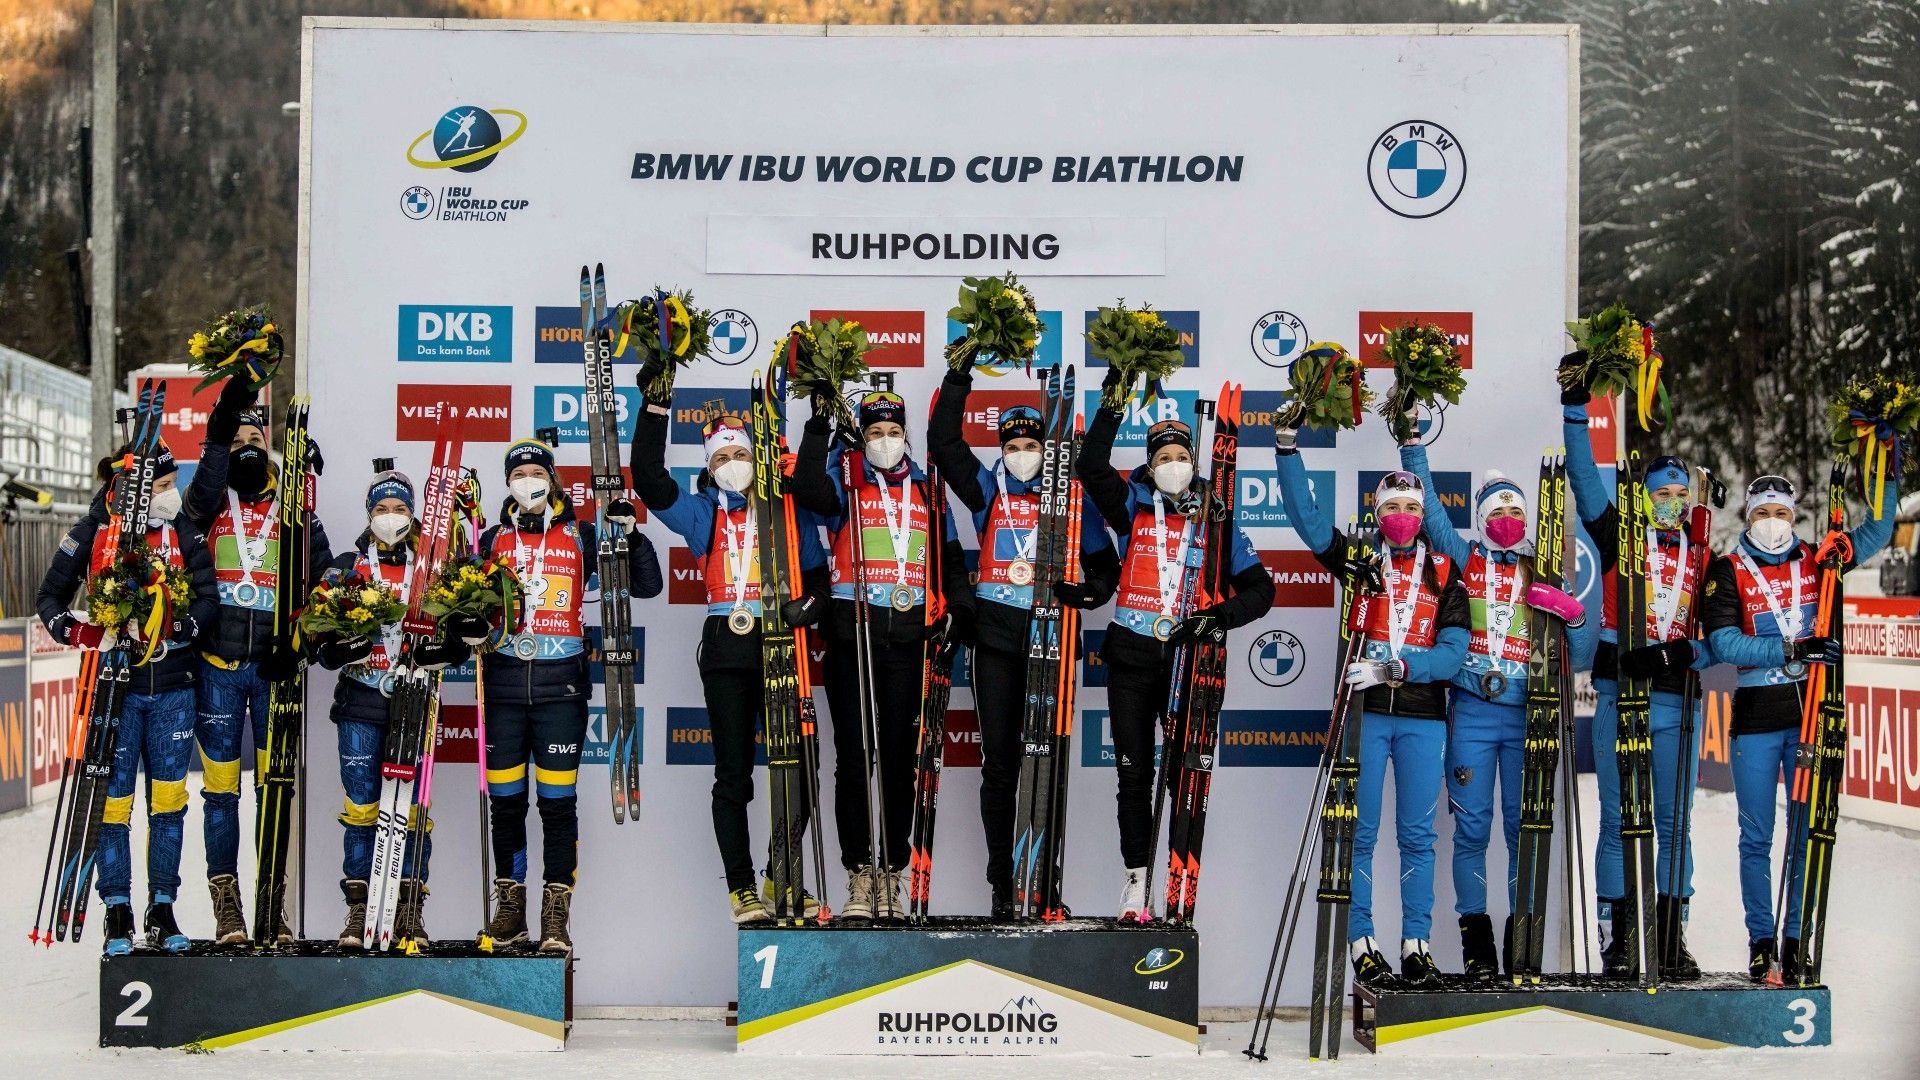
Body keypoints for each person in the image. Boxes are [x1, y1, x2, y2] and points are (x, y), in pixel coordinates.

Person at [1275, 416, 1467, 988]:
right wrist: (1287, 449)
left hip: (1423, 717)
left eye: (1411, 508)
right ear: (1378, 515)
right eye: (1391, 509)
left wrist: (1398, 668)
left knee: (1418, 837)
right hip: (1364, 717)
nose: (1402, 517)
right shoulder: (1359, 559)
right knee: (1357, 835)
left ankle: (1416, 945)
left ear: (1422, 516)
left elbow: (1453, 655)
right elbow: (1309, 522)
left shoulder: (1444, 571)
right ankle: (1362, 942)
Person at [1396, 439, 1596, 979]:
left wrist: (1574, 615)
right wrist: (1412, 447)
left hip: (1528, 716)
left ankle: (1521, 945)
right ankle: (1478, 949)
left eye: (1515, 512)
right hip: (1473, 711)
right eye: (1497, 512)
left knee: (1521, 831)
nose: (1507, 521)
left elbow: (1578, 659)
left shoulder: (1542, 568)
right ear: (1482, 519)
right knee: (1471, 831)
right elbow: (1431, 510)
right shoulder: (1463, 559)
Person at [1078, 379, 1274, 923]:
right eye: (1162, 458)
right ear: (1149, 465)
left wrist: (1217, 619)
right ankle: (1135, 881)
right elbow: (1091, 465)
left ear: (1194, 461)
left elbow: (1262, 590)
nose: (1172, 465)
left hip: (1188, 664)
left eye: (1180, 457)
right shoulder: (1131, 506)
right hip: (1131, 660)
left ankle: (1178, 878)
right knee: (1133, 775)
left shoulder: (1217, 519)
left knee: (1183, 775)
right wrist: (1115, 397)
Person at [927, 365, 1120, 919]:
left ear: (1049, 450)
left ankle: (1043, 880)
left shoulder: (1073, 499)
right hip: (994, 639)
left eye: (1031, 445)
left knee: (1048, 762)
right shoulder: (989, 489)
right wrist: (959, 375)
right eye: (1011, 446)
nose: (1021, 454)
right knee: (1000, 765)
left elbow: (1106, 568)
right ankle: (1002, 883)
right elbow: (944, 444)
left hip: (1052, 638)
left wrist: (1088, 594)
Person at [631, 400, 831, 924]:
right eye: (722, 458)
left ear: (757, 460)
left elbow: (819, 577)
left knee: (800, 772)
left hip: (782, 644)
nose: (733, 464)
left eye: (741, 455)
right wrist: (655, 409)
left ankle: (780, 874)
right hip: (727, 644)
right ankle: (742, 888)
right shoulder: (702, 512)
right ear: (709, 467)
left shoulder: (786, 510)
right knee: (734, 776)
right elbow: (649, 480)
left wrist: (809, 606)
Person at [790, 390, 975, 922]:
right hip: (852, 635)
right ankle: (858, 873)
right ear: (863, 439)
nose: (885, 441)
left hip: (908, 640)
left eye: (893, 432)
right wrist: (819, 426)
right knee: (854, 759)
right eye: (874, 433)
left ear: (906, 436)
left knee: (897, 762)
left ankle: (892, 871)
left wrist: (960, 610)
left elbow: (950, 558)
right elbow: (807, 488)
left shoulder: (928, 487)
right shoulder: (846, 479)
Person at [472, 438, 662, 952]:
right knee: (506, 806)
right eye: (518, 475)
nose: (528, 482)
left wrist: (632, 536)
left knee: (557, 806)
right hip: (504, 690)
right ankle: (510, 907)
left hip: (561, 691)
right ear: (507, 483)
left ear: (553, 479)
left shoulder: (582, 535)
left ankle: (555, 914)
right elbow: (465, 608)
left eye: (537, 472)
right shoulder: (492, 539)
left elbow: (647, 586)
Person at [1705, 472, 1896, 981]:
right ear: (1749, 517)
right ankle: (1760, 941)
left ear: (1794, 517)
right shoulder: (1728, 570)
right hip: (1756, 719)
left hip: (1811, 716)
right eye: (1762, 514)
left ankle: (1795, 939)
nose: (1772, 523)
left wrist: (1886, 467)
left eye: (1781, 514)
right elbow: (1725, 643)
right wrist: (1792, 648)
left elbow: (1879, 529)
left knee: (1805, 833)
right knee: (1756, 837)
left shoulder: (1821, 558)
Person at [1560, 358, 1715, 977]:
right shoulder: (1617, 536)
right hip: (1618, 692)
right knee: (1618, 818)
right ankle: (1619, 936)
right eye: (1661, 494)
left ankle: (1671, 936)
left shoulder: (1703, 554)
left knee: (1675, 822)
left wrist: (1679, 653)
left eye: (1681, 495)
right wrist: (1576, 411)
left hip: (1677, 700)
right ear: (1643, 498)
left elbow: (1720, 638)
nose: (1672, 504)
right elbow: (1582, 478)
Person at [38, 442, 219, 954]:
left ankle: (162, 908)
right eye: (162, 487)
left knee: (169, 804)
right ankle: (116, 910)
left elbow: (209, 599)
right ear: (133, 491)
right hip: (114, 688)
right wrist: (84, 633)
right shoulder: (94, 531)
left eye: (172, 485)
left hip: (174, 687)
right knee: (113, 804)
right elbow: (49, 598)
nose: (171, 495)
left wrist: (177, 627)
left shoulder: (182, 530)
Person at [190, 389, 335, 943]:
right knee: (221, 791)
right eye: (236, 442)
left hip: (275, 672)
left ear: (271, 447)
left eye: (255, 439)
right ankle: (226, 903)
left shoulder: (296, 511)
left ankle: (271, 901)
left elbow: (326, 584)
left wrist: (300, 641)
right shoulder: (208, 505)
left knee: (274, 789)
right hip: (218, 669)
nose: (246, 448)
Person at [307, 467, 468, 950]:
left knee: (412, 812)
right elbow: (320, 642)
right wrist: (337, 648)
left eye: (399, 508)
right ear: (369, 514)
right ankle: (360, 909)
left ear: (413, 514)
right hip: (359, 703)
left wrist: (449, 649)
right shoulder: (347, 567)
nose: (390, 517)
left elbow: (460, 636)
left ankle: (409, 910)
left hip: (416, 705)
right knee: (361, 808)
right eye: (381, 508)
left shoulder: (433, 570)